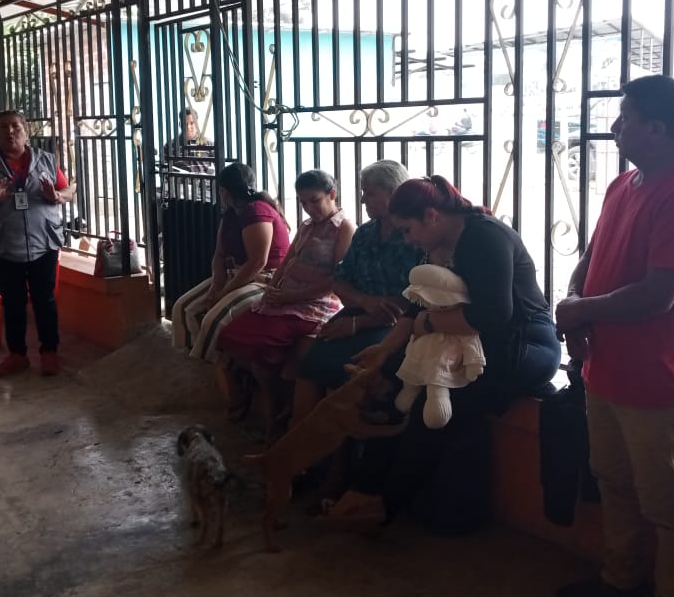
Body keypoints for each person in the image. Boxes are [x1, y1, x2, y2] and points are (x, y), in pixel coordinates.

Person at [553, 75, 674, 597]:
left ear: (656, 128)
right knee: (613, 482)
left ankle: (670, 596)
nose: (614, 127)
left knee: (666, 504)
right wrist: (575, 302)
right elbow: (591, 256)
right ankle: (621, 580)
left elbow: (657, 295)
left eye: (625, 119)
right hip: (605, 369)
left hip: (657, 378)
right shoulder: (623, 185)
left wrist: (580, 309)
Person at [323, 175, 562, 530]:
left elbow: (493, 317)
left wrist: (429, 324)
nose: (407, 239)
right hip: (469, 341)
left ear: (431, 216)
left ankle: (386, 504)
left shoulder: (484, 237)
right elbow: (415, 305)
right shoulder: (436, 243)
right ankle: (363, 488)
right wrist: (385, 350)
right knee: (390, 382)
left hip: (524, 345)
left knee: (430, 403)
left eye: (408, 230)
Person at [216, 170, 355, 431]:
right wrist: (273, 288)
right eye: (303, 203)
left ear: (332, 195)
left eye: (314, 201)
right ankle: (274, 403)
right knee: (231, 338)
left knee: (260, 349)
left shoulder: (344, 228)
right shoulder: (306, 226)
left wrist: (293, 295)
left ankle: (276, 409)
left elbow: (337, 279)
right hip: (284, 299)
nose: (309, 208)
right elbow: (287, 261)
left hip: (314, 304)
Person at [292, 159, 422, 424]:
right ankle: (296, 435)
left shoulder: (413, 237)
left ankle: (340, 446)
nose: (363, 200)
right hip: (358, 312)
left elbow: (405, 304)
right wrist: (364, 301)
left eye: (369, 193)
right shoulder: (365, 233)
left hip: (393, 326)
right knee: (310, 363)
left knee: (347, 370)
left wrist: (356, 324)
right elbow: (339, 281)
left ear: (393, 193)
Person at [0, 109, 75, 378]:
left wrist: (57, 196)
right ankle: (17, 355)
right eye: (3, 127)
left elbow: (68, 190)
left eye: (15, 126)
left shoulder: (46, 159)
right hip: (5, 244)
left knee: (45, 300)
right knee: (12, 302)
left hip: (44, 242)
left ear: (26, 132)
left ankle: (49, 352)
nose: (9, 132)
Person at [171, 162, 291, 366]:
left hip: (266, 279)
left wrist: (224, 292)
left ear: (224, 192)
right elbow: (219, 255)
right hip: (238, 275)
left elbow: (257, 262)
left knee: (214, 319)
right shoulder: (230, 214)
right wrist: (216, 285)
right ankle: (201, 360)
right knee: (183, 308)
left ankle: (219, 366)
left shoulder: (256, 211)